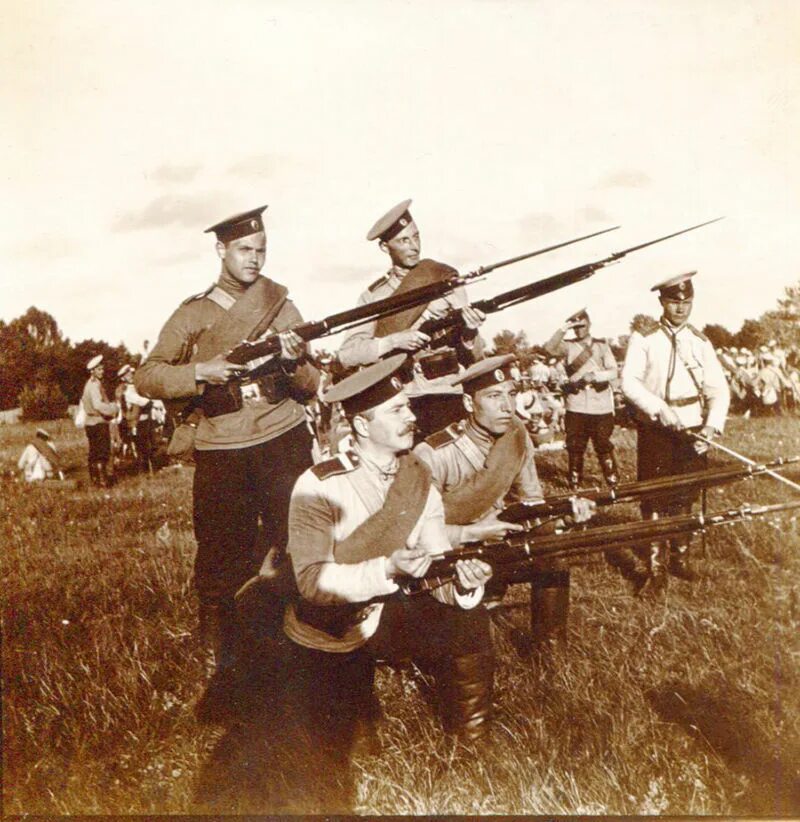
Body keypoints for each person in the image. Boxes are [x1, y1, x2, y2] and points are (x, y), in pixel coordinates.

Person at [282, 354, 493, 809]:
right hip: (337, 623)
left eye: (408, 406)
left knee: (470, 619)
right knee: (353, 750)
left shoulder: (417, 475)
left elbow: (435, 561)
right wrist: (387, 569)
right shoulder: (319, 485)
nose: (412, 416)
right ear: (361, 424)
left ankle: (472, 744)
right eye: (397, 409)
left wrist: (461, 582)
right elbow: (312, 582)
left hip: (392, 608)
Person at [134, 205, 319, 716]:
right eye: (244, 250)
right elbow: (146, 376)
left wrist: (294, 360)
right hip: (221, 447)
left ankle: (302, 644)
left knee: (297, 539)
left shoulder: (282, 306)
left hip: (283, 436)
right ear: (221, 250)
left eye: (261, 250)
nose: (254, 259)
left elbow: (310, 386)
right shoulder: (193, 314)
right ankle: (220, 662)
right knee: (219, 552)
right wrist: (201, 371)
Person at [414, 354, 594, 647]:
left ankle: (550, 647)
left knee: (552, 546)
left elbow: (530, 501)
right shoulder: (434, 453)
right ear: (469, 404)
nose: (507, 406)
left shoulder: (516, 436)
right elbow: (417, 532)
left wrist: (563, 517)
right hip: (452, 554)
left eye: (511, 395)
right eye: (494, 396)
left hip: (500, 542)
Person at [337, 199, 485, 440]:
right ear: (385, 247)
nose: (414, 246)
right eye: (404, 240)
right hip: (404, 400)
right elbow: (348, 354)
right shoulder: (374, 296)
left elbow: (477, 355)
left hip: (448, 392)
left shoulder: (445, 280)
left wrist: (469, 332)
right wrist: (394, 341)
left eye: (416, 237)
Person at [622, 271, 730, 585]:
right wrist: (658, 409)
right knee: (654, 497)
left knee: (686, 495)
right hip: (656, 427)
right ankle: (655, 568)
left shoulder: (700, 340)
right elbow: (629, 382)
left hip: (693, 426)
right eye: (673, 301)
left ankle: (679, 559)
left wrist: (711, 428)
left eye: (686, 302)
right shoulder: (644, 336)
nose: (680, 308)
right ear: (662, 302)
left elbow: (718, 390)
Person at [544, 308, 619, 489]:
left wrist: (596, 376)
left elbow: (613, 371)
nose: (579, 331)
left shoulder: (602, 346)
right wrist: (563, 328)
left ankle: (612, 480)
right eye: (575, 327)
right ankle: (574, 481)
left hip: (600, 405)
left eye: (582, 326)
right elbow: (548, 349)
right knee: (575, 445)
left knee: (602, 444)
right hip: (576, 405)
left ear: (589, 325)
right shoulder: (567, 346)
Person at [80, 355, 119, 487]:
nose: (102, 372)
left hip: (90, 423)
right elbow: (98, 405)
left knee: (94, 452)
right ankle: (102, 481)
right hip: (98, 422)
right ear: (93, 371)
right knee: (102, 452)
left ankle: (95, 480)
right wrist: (112, 409)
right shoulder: (94, 386)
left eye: (102, 369)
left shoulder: (91, 384)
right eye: (99, 370)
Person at [119, 364, 156, 472]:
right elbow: (144, 402)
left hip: (145, 419)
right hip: (136, 421)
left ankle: (150, 469)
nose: (130, 375)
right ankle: (144, 470)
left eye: (130, 373)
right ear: (123, 378)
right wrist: (149, 401)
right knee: (142, 447)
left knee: (148, 444)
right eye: (127, 375)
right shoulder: (127, 391)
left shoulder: (134, 386)